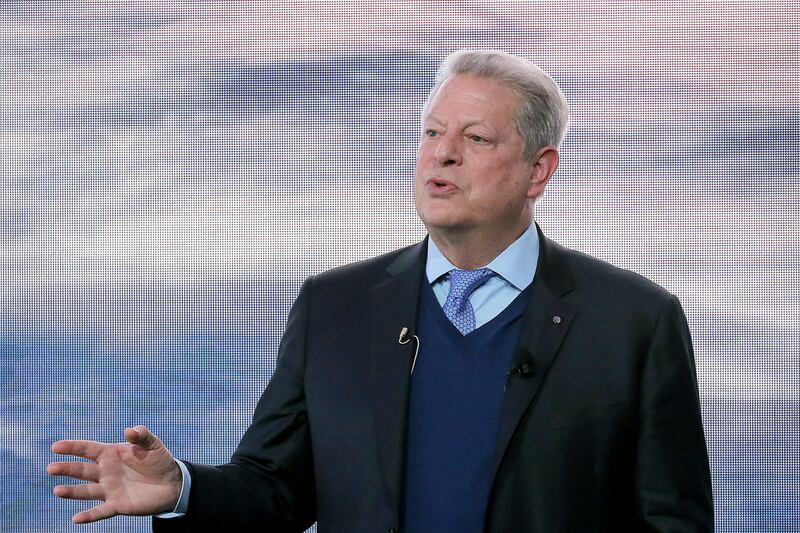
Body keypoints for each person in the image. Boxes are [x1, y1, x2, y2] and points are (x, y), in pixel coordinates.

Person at [48, 49, 714, 532]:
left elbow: (671, 522)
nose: (441, 154)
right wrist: (183, 488)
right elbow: (276, 488)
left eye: (475, 137)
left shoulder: (634, 320)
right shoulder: (332, 306)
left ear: (539, 170)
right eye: (431, 133)